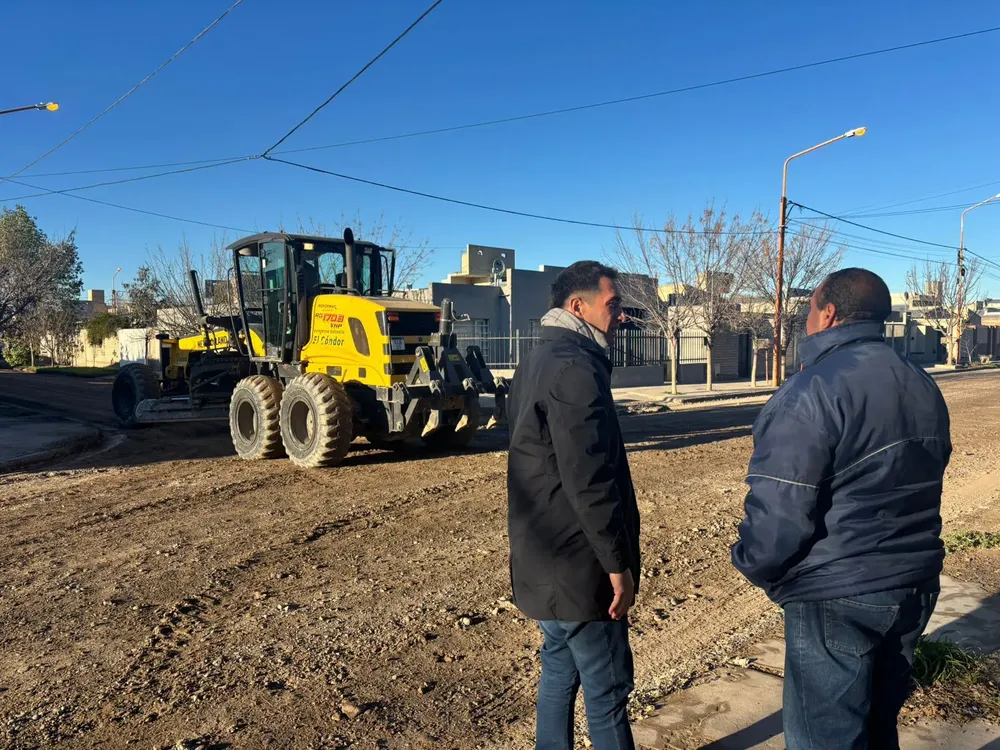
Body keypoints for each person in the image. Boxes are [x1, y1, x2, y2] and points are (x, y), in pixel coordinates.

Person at [732, 268, 951, 750]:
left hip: (839, 591)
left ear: (827, 313)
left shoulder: (811, 392)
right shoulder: (921, 383)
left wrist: (751, 562)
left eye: (809, 309)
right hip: (913, 584)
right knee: (877, 728)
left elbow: (779, 514)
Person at [507, 261, 640, 750]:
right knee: (607, 691)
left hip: (545, 560)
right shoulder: (575, 369)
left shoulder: (538, 359)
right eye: (613, 304)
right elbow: (590, 481)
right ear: (577, 306)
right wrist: (617, 565)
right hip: (581, 568)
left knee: (558, 675)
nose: (621, 315)